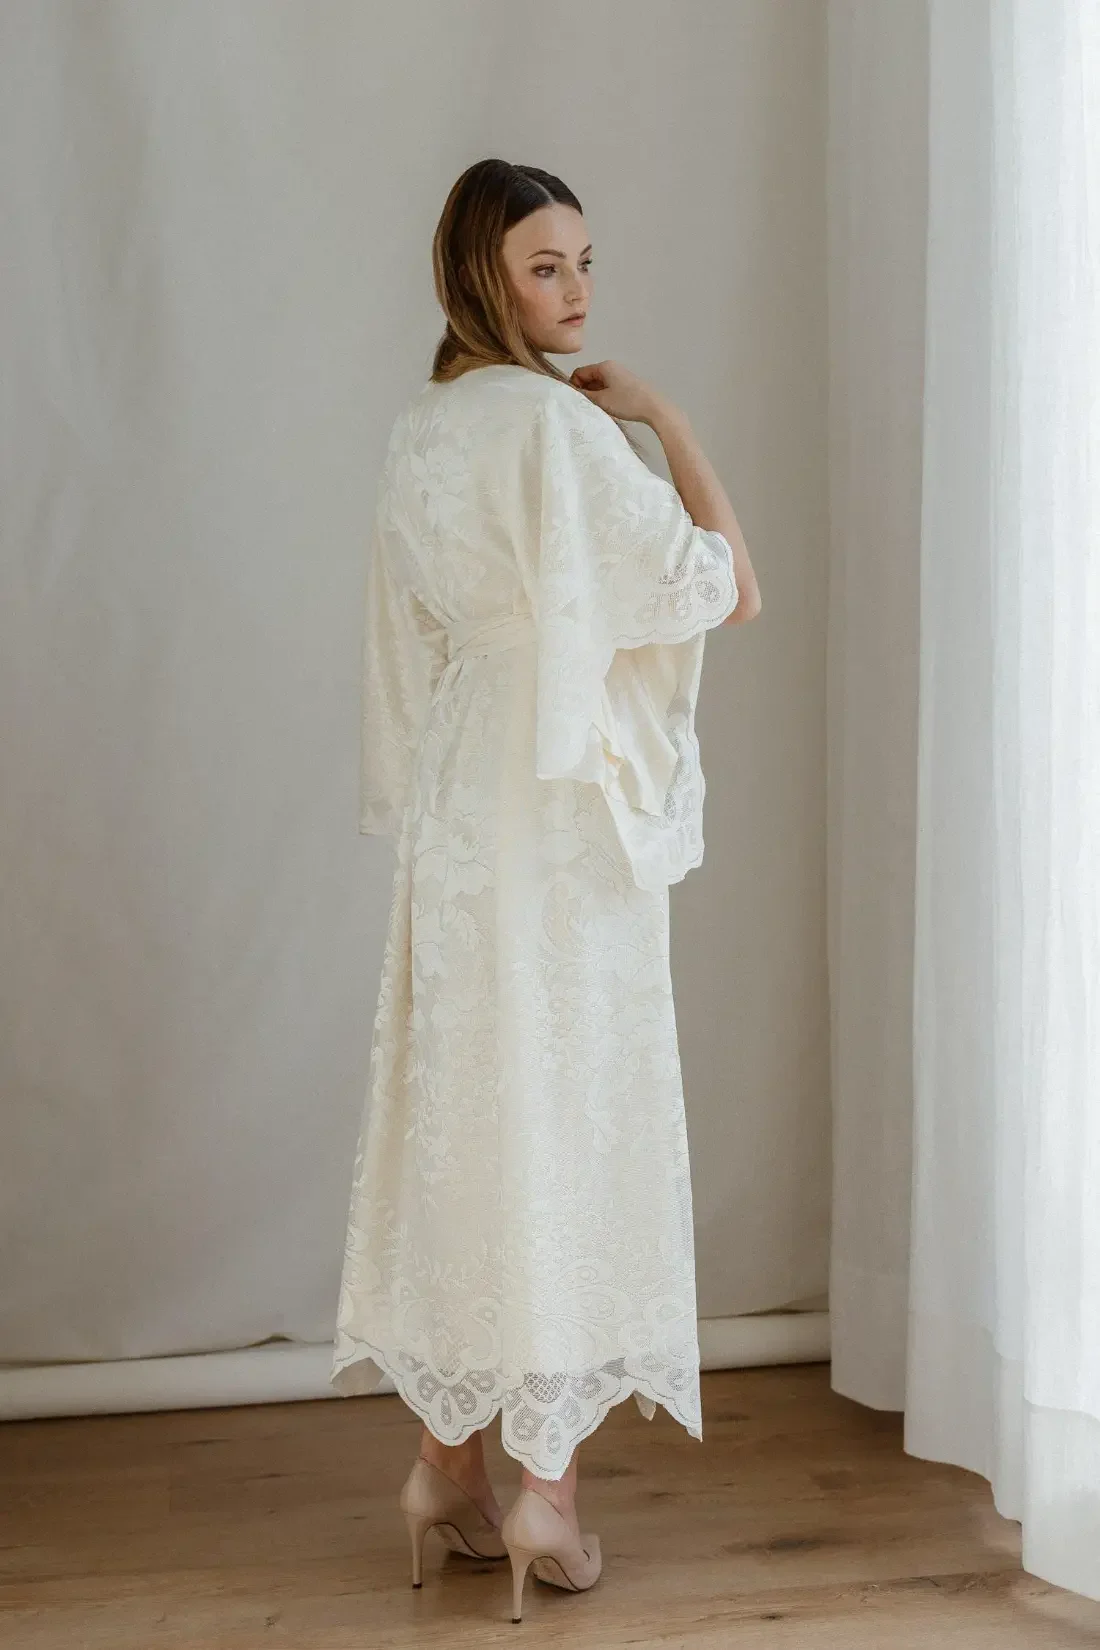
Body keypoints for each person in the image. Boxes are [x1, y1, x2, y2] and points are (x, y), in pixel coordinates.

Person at [329, 157, 761, 1623]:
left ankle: (444, 1470)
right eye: (544, 268)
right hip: (560, 797)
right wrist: (667, 420)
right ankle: (548, 1495)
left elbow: (403, 641)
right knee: (568, 1112)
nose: (576, 291)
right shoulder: (566, 434)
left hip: (464, 797)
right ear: (481, 277)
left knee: (472, 1113)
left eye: (585, 261)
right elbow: (723, 582)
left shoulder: (423, 431)